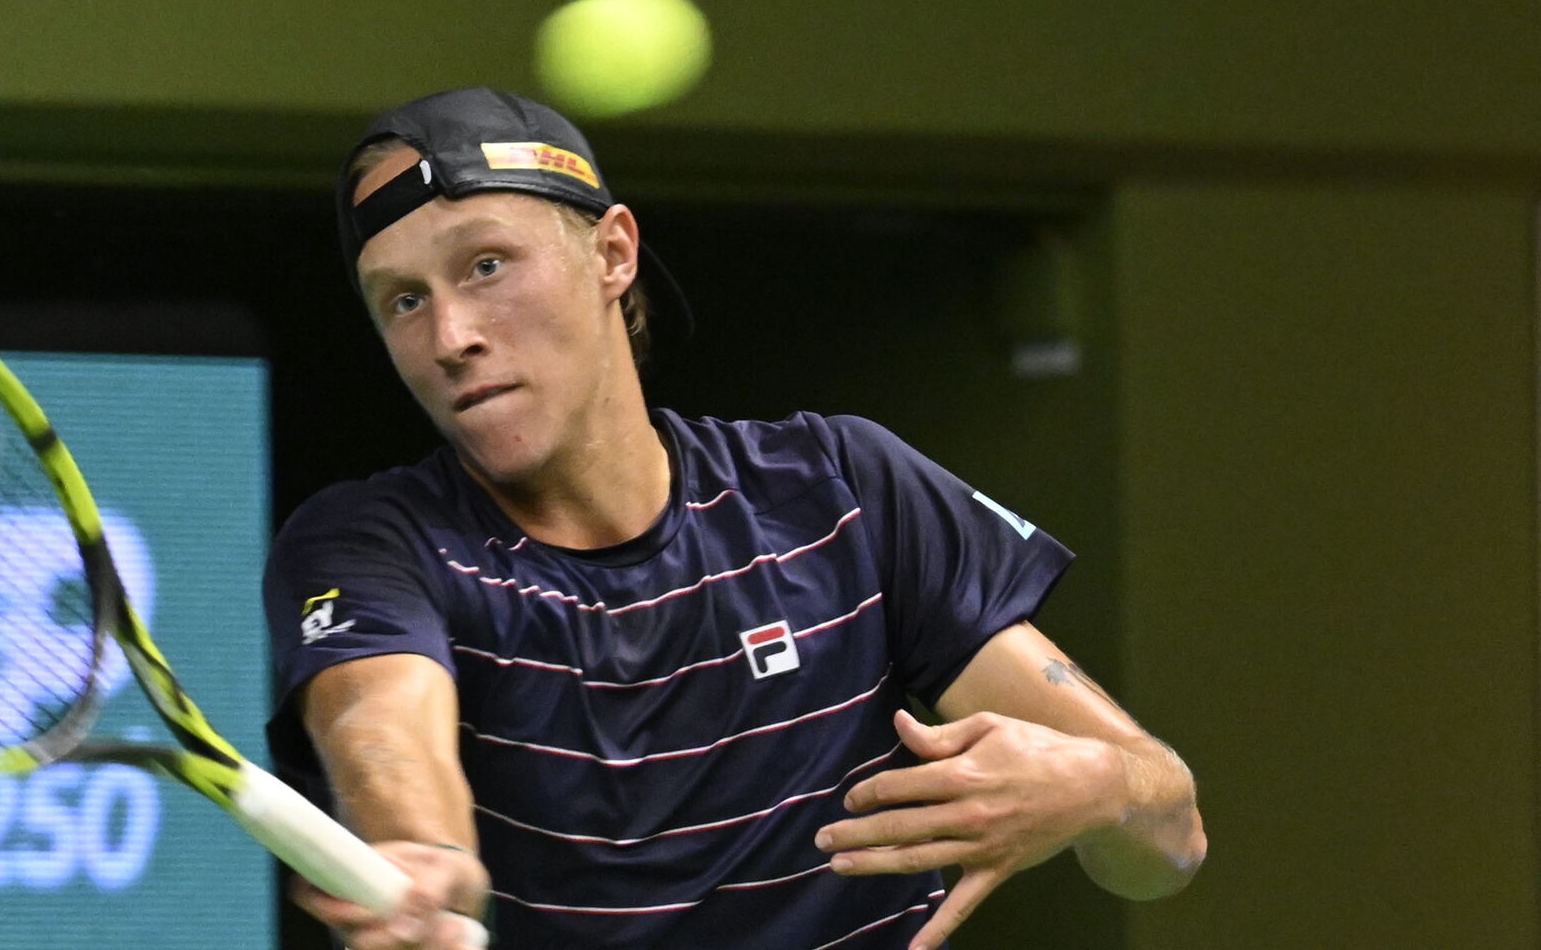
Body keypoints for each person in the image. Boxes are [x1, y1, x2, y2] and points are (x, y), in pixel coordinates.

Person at [264, 87, 1206, 950]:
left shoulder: (840, 488)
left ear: (612, 253)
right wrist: (419, 848)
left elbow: (1170, 840)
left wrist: (1095, 788)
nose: (451, 337)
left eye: (487, 264)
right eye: (403, 300)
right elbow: (379, 717)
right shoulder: (371, 543)